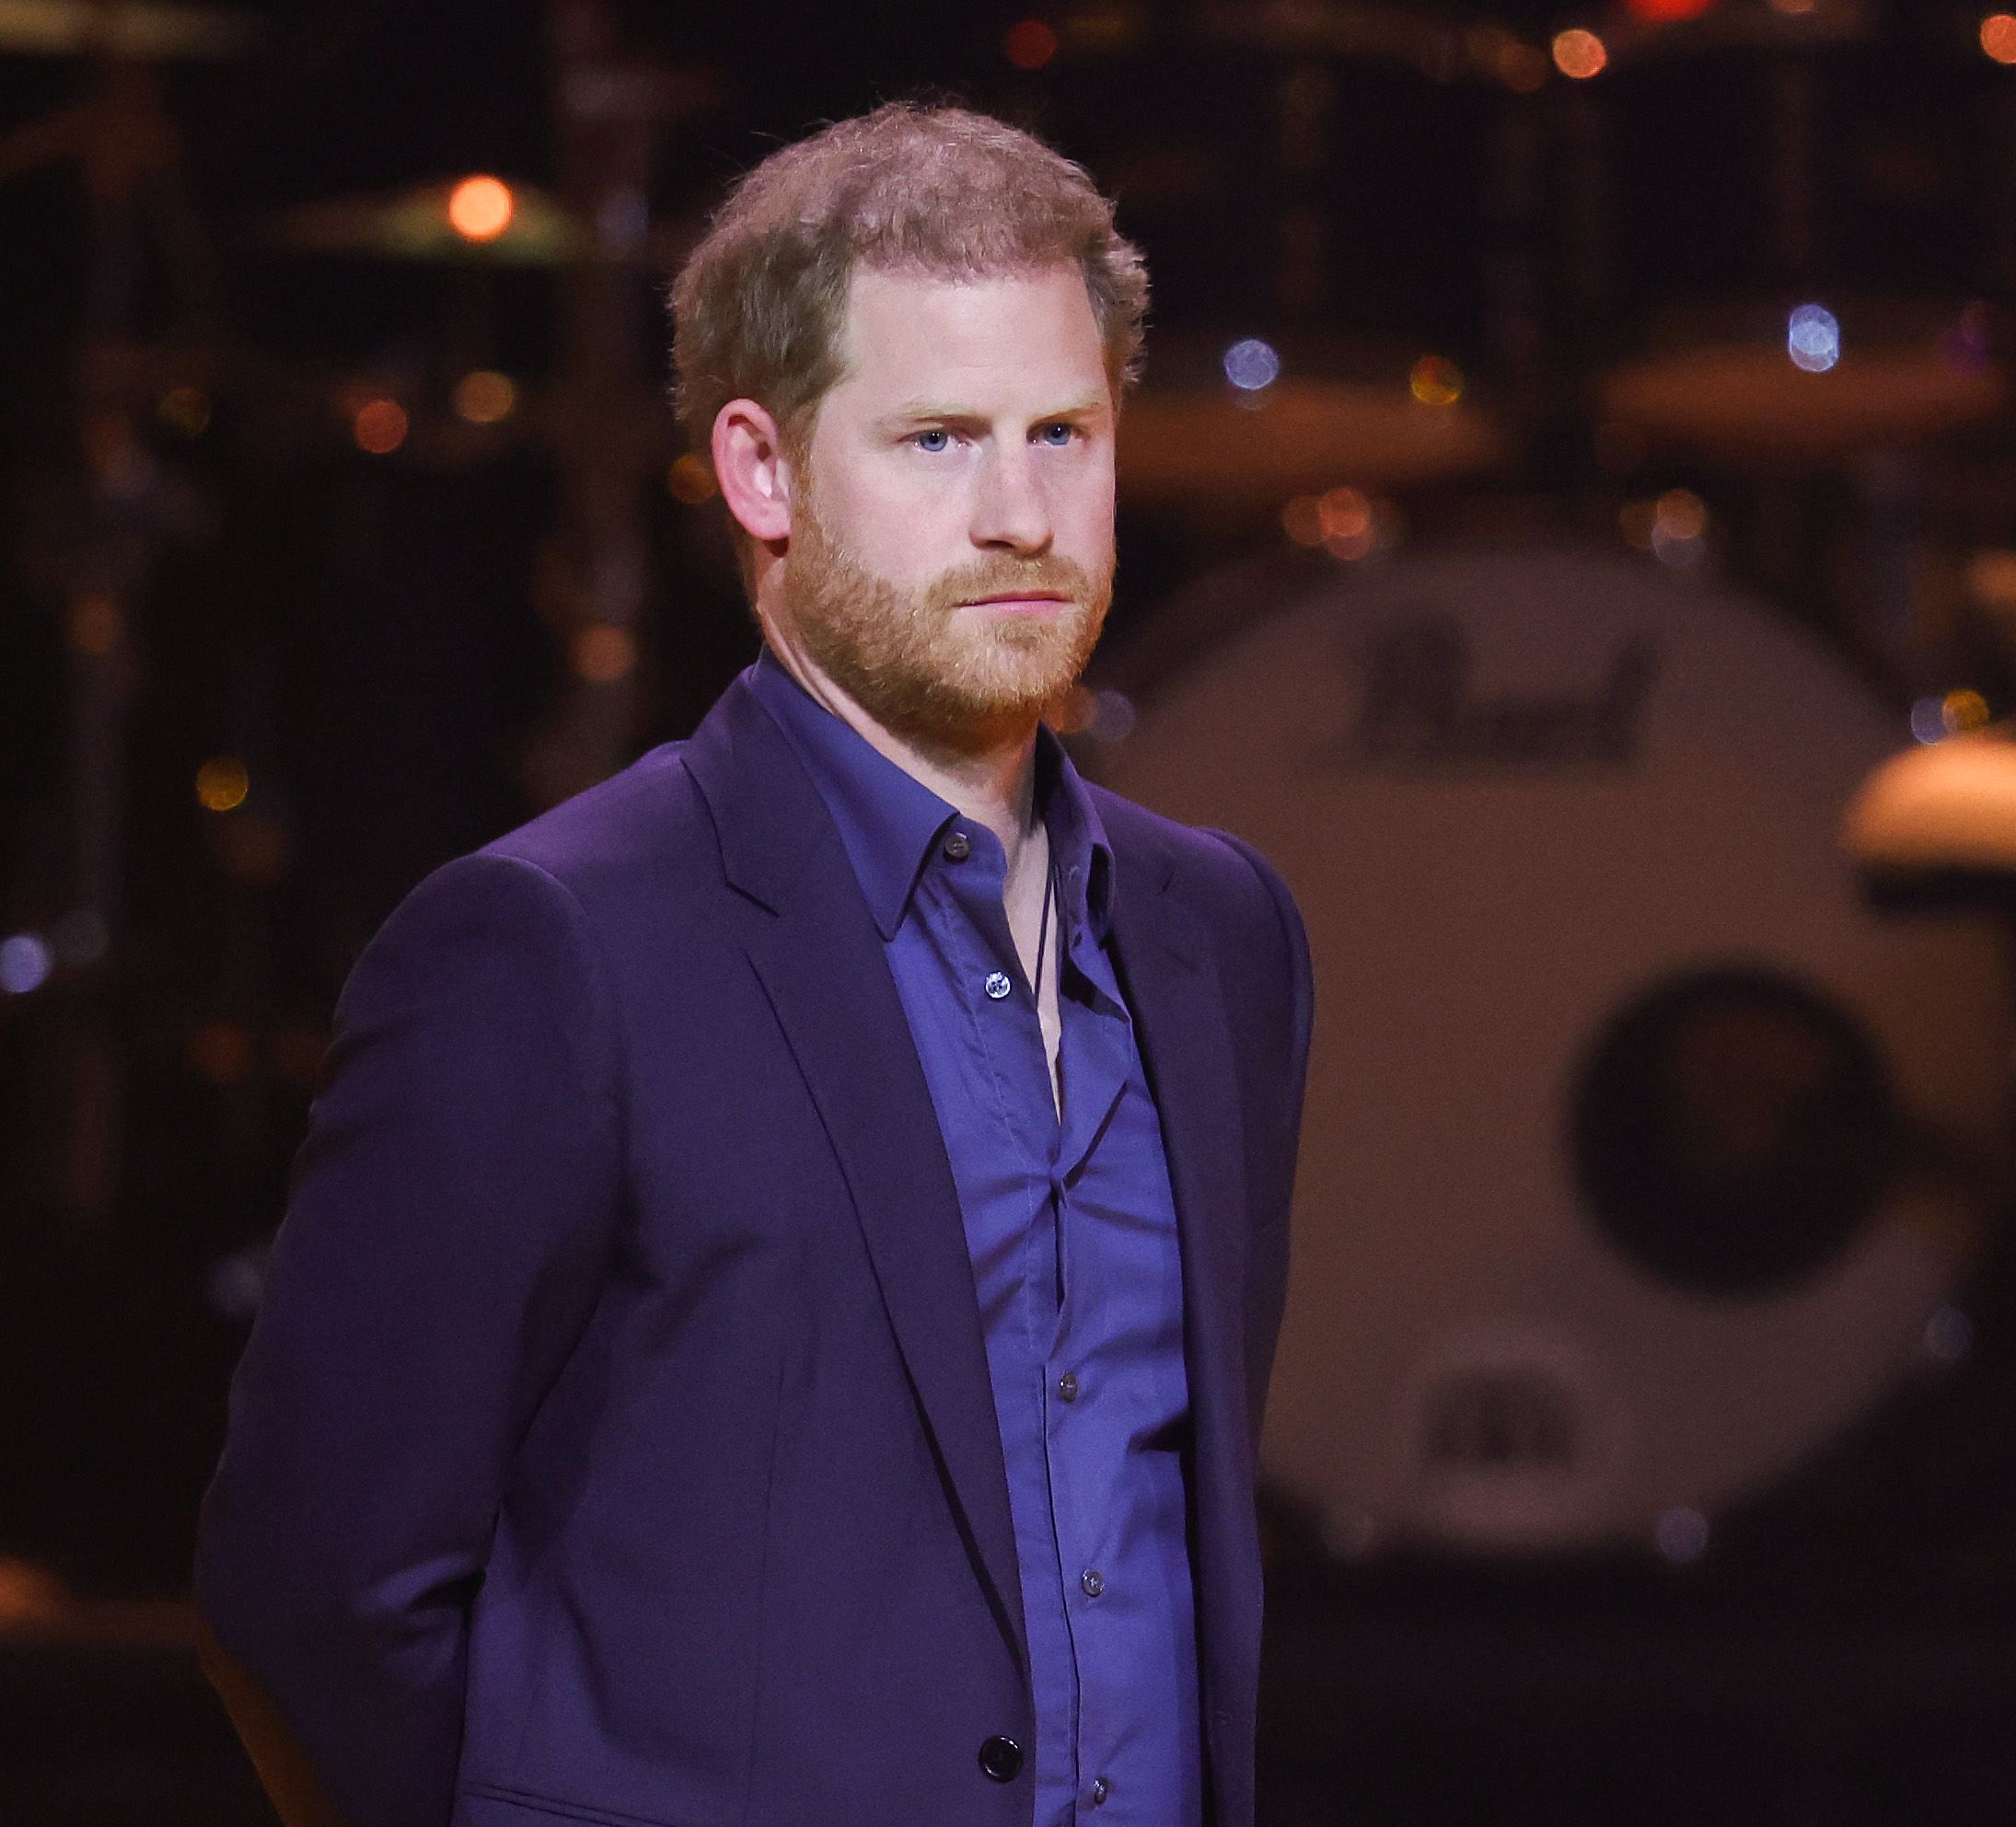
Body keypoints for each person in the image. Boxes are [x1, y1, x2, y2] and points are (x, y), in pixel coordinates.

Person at [195, 103, 1312, 1827]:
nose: (1020, 512)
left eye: (1062, 433)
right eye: (937, 439)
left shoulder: (1216, 933)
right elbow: (317, 1588)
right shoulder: (548, 946)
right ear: (759, 468)